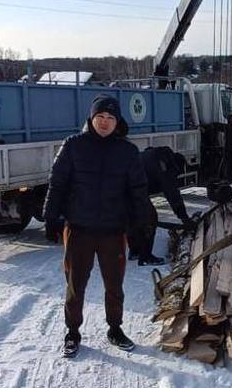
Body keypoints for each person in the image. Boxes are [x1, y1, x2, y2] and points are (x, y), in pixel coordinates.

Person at [43, 95, 149, 358]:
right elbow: (57, 183)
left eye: (111, 118)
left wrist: (140, 225)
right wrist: (51, 217)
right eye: (100, 117)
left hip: (113, 232)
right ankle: (73, 332)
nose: (105, 122)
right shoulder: (73, 146)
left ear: (117, 122)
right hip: (79, 230)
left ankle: (115, 329)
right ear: (91, 118)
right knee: (75, 285)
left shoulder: (128, 152)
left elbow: (138, 191)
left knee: (114, 286)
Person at [127, 146, 197, 266]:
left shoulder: (156, 154)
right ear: (176, 166)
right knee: (150, 218)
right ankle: (145, 257)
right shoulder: (165, 167)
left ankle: (135, 251)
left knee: (133, 219)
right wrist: (184, 218)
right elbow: (172, 194)